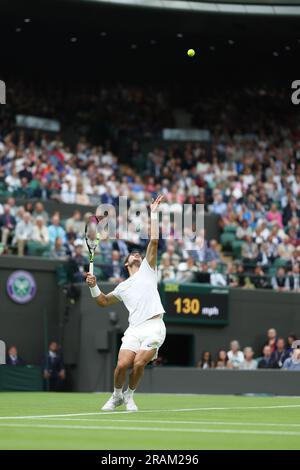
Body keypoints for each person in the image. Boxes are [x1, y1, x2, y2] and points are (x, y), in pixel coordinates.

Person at [86, 195, 166, 412]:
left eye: (138, 253)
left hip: (154, 326)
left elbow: (155, 241)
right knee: (122, 365)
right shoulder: (122, 287)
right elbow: (102, 301)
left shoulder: (149, 270)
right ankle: (116, 396)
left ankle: (130, 396)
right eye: (132, 254)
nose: (136, 254)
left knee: (139, 363)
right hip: (134, 329)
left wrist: (154, 212)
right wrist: (93, 286)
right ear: (126, 263)